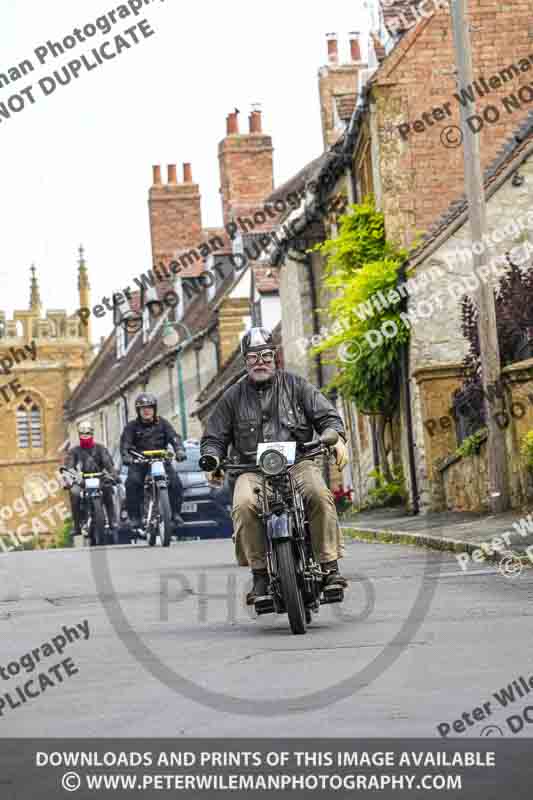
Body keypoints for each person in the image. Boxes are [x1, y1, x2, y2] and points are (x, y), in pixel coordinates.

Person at [200, 327, 350, 604]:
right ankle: (260, 576)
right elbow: (214, 436)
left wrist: (335, 437)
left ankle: (330, 568)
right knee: (243, 504)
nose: (260, 361)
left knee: (319, 494)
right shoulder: (232, 397)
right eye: (253, 357)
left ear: (275, 357)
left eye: (266, 355)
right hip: (252, 471)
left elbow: (327, 416)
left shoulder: (297, 386)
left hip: (298, 464)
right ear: (245, 361)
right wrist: (212, 458)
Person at [120, 393, 187, 529]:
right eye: (143, 408)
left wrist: (179, 449)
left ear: (154, 409)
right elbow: (125, 443)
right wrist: (126, 455)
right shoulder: (131, 427)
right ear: (138, 411)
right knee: (132, 483)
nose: (146, 411)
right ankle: (135, 517)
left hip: (161, 460)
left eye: (149, 407)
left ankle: (175, 514)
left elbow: (174, 437)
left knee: (176, 483)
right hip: (140, 462)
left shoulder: (163, 423)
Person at [62, 419, 118, 537]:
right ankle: (77, 525)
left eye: (87, 433)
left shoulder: (100, 448)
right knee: (74, 493)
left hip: (100, 479)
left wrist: (113, 475)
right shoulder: (74, 451)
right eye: (82, 433)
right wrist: (71, 477)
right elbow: (69, 466)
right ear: (79, 435)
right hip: (81, 481)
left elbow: (108, 463)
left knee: (108, 489)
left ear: (92, 433)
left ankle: (112, 519)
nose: (85, 436)